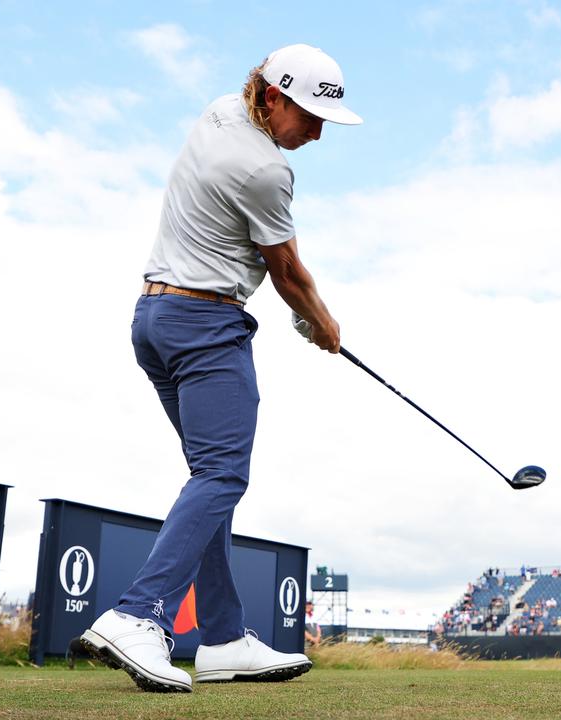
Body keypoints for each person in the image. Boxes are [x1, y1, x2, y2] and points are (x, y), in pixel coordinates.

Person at [79, 43, 362, 693]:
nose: (318, 132)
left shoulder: (218, 113)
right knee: (222, 475)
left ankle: (224, 637)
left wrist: (301, 312)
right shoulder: (266, 170)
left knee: (209, 481)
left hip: (153, 322)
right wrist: (320, 323)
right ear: (271, 96)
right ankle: (137, 615)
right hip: (206, 328)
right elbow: (288, 272)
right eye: (310, 115)